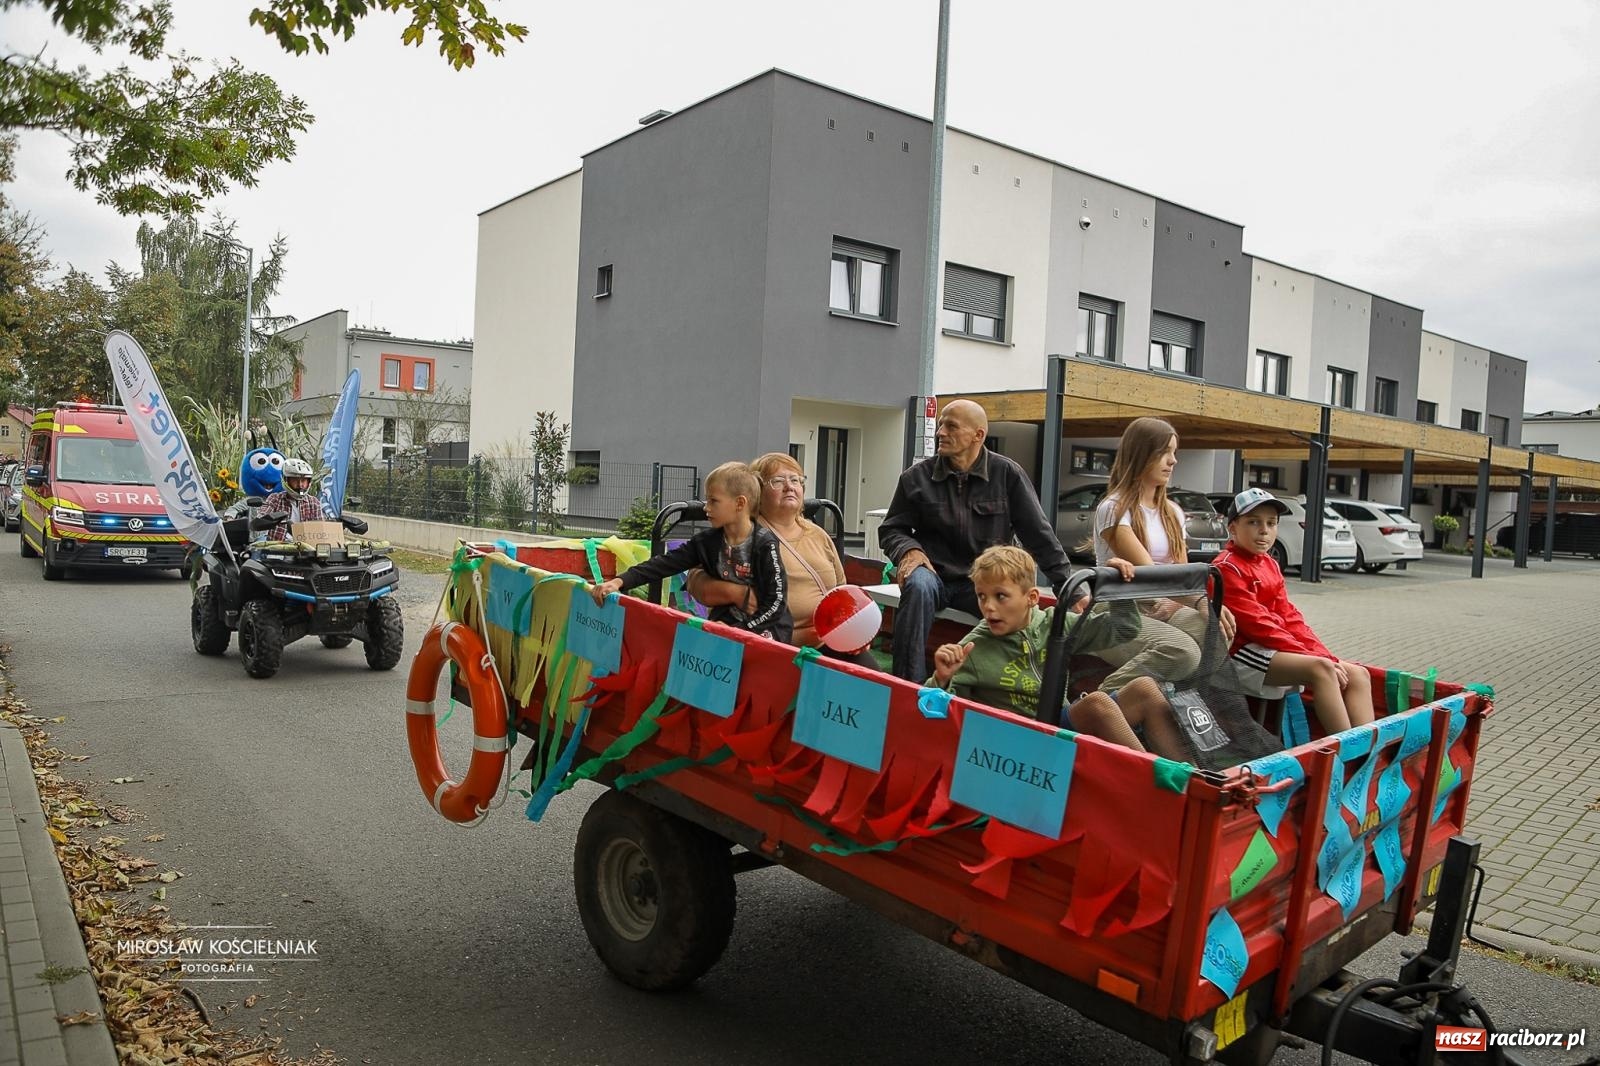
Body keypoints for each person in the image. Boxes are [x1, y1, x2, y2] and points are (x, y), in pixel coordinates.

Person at [930, 546, 1187, 760]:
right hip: (1021, 743)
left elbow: (1123, 630)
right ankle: (1153, 785)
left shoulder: (1054, 623)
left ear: (1031, 598)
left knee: (1145, 688)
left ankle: (1194, 785)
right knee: (1096, 704)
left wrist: (1117, 587)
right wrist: (940, 679)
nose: (988, 607)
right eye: (981, 596)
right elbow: (937, 711)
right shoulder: (974, 647)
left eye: (1000, 596)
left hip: (1056, 724)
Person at [879, 399, 1071, 682]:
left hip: (981, 582)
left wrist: (1069, 588)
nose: (940, 432)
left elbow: (1038, 534)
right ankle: (908, 686)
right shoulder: (915, 478)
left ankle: (1014, 686)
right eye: (941, 424)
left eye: (951, 426)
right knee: (917, 587)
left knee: (1012, 601)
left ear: (978, 435)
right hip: (935, 576)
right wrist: (909, 551)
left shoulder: (1007, 475)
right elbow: (892, 530)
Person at [1212, 488, 1374, 734]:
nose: (1264, 530)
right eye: (1253, 522)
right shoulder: (1226, 568)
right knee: (1321, 670)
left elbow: (1290, 618)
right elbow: (1259, 626)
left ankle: (1368, 754)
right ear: (1232, 528)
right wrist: (1319, 660)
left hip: (1272, 648)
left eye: (1271, 523)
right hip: (1241, 652)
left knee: (1358, 674)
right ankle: (1345, 753)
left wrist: (1326, 655)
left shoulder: (1270, 564)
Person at [685, 452, 871, 663]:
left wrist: (855, 630)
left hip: (828, 643)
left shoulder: (818, 534)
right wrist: (735, 592)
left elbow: (841, 592)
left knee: (876, 683)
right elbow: (696, 581)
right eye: (778, 481)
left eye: (796, 480)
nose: (790, 486)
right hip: (772, 647)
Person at [1088, 416, 1232, 688]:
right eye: (1164, 452)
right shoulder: (1114, 508)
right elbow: (1150, 575)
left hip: (1161, 602)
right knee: (1183, 652)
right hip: (1117, 608)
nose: (1173, 460)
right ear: (1140, 455)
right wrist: (1201, 603)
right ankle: (1101, 700)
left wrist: (1184, 603)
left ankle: (1175, 700)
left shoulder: (1173, 512)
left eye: (1174, 452)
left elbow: (1181, 573)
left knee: (1218, 633)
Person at [592, 462, 793, 642]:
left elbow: (776, 601)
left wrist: (742, 630)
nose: (706, 507)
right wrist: (619, 581)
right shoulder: (706, 543)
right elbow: (664, 564)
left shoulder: (765, 544)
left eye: (713, 501)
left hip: (765, 629)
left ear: (740, 503)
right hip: (726, 627)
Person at [259, 457, 324, 542]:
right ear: (286, 480)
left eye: (304, 480)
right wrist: (269, 520)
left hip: (305, 549)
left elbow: (321, 529)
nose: (300, 485)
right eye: (295, 480)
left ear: (309, 482)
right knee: (256, 552)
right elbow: (262, 517)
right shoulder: (275, 499)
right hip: (277, 548)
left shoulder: (314, 503)